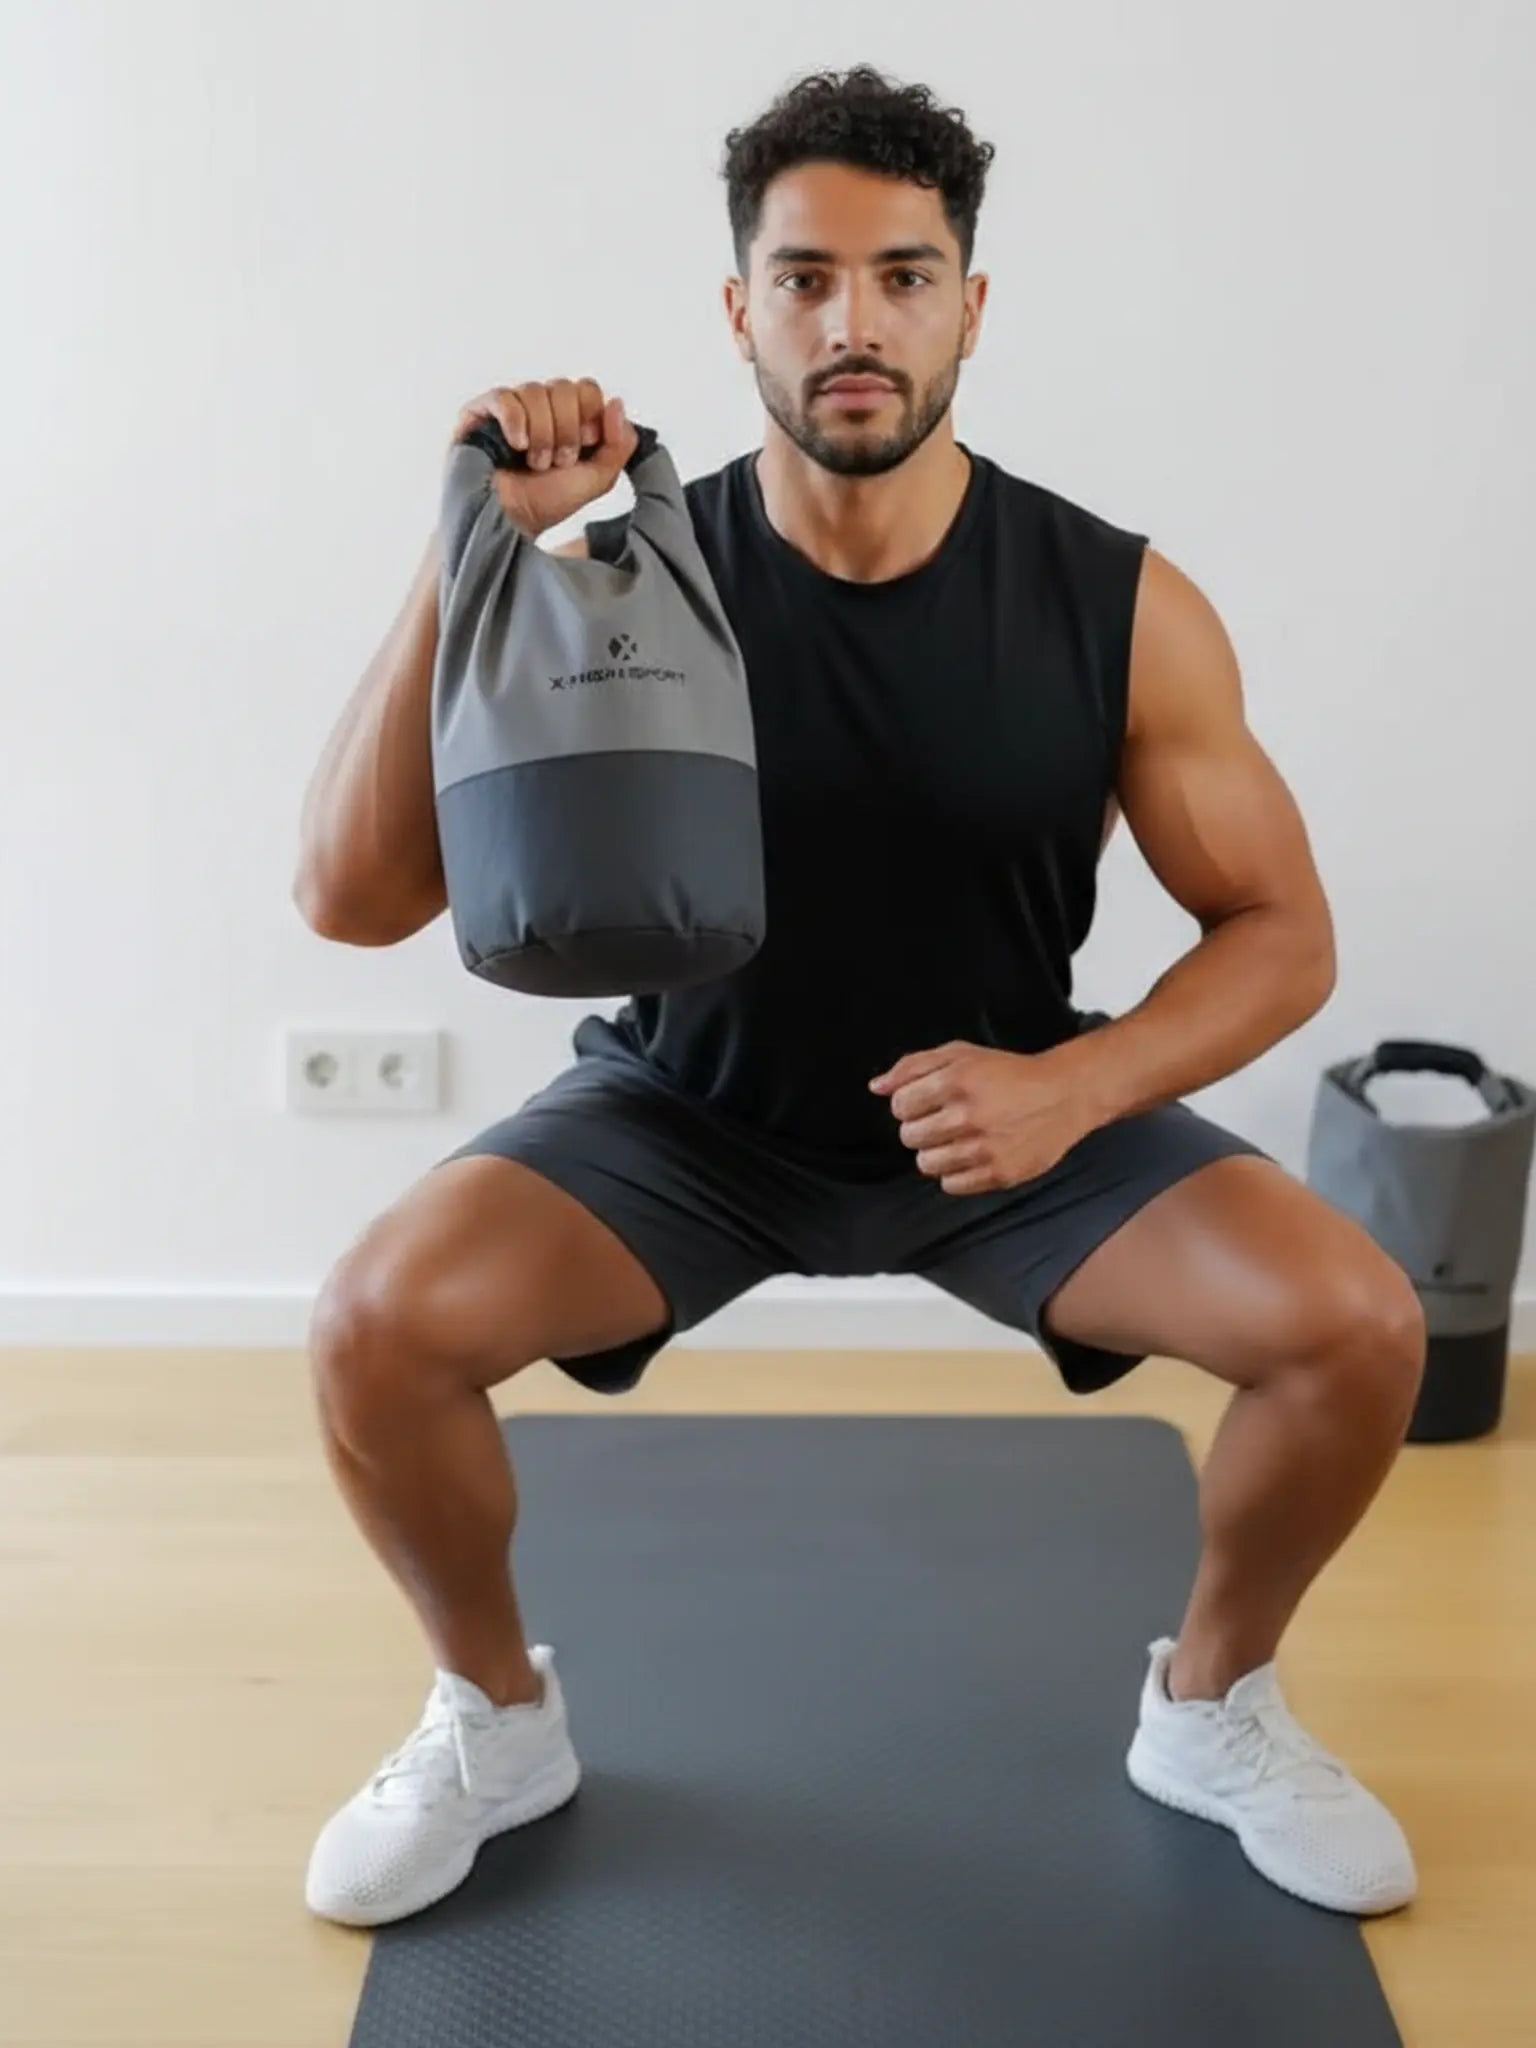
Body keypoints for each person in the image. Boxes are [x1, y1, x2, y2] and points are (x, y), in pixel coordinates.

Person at [293, 65, 1424, 1930]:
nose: (853, 325)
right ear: (740, 311)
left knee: (1360, 1327)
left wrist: (1079, 1089)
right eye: (805, 280)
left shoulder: (1116, 603)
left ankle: (1212, 1709)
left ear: (970, 306)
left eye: (902, 278)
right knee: (372, 1329)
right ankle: (493, 1722)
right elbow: (352, 901)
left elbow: (1281, 931)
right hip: (688, 1120)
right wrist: (473, 543)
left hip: (1011, 1120)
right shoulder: (614, 580)